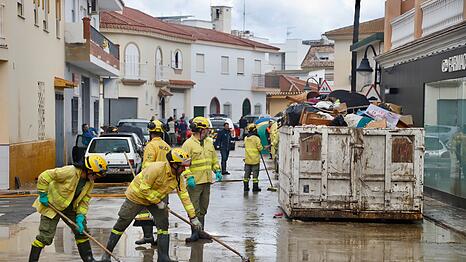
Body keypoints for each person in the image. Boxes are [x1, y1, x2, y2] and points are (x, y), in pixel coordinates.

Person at [100, 148, 200, 262]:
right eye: (182, 166)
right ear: (174, 165)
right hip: (136, 197)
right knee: (121, 224)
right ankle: (106, 255)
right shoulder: (156, 169)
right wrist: (158, 202)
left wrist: (193, 217)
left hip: (154, 199)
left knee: (163, 225)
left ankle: (163, 258)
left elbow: (185, 197)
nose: (184, 169)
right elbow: (143, 189)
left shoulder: (178, 178)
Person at [29, 155, 108, 262]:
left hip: (70, 207)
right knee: (45, 237)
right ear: (89, 170)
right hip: (52, 205)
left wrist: (80, 216)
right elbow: (45, 175)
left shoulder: (89, 183)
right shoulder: (70, 172)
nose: (96, 178)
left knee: (82, 232)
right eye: (96, 175)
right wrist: (43, 193)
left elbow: (84, 201)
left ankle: (89, 259)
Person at [182, 116, 222, 242]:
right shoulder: (188, 144)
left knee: (203, 208)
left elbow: (214, 159)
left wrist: (217, 170)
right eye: (206, 130)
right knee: (194, 209)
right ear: (199, 130)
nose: (208, 132)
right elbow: (183, 164)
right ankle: (194, 232)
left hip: (206, 180)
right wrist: (189, 177)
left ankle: (201, 231)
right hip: (194, 182)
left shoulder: (209, 142)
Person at [133, 119, 172, 246]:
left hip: (151, 184)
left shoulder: (150, 146)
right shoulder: (167, 146)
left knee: (144, 211)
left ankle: (148, 236)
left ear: (150, 132)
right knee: (161, 213)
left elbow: (148, 167)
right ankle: (161, 239)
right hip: (164, 186)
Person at [243, 124, 263, 192]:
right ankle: (255, 188)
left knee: (246, 175)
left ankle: (246, 187)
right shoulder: (256, 138)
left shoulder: (246, 138)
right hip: (255, 160)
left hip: (247, 160)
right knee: (255, 176)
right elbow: (260, 148)